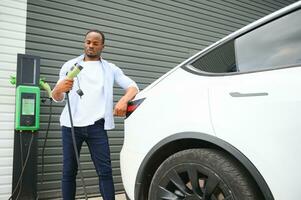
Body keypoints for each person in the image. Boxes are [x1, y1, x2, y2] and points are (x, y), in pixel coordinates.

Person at [51, 29, 139, 200]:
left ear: (102, 46)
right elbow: (57, 97)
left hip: (97, 127)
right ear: (85, 43)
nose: (90, 46)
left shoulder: (110, 69)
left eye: (95, 43)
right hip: (71, 126)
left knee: (104, 171)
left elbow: (133, 87)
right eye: (88, 42)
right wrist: (58, 90)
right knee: (69, 171)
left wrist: (123, 101)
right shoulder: (70, 66)